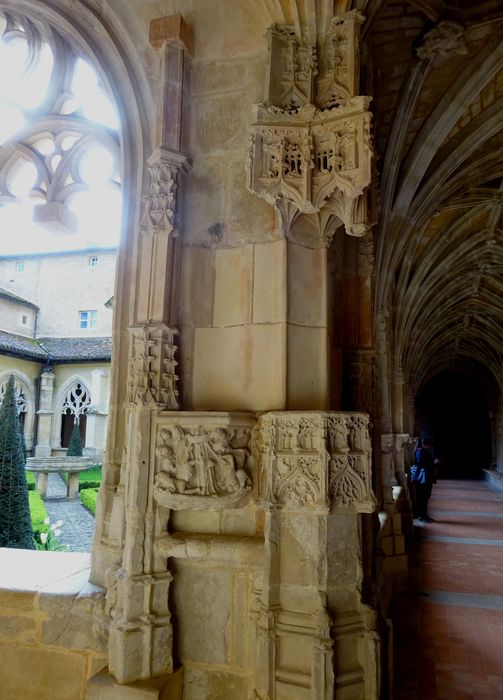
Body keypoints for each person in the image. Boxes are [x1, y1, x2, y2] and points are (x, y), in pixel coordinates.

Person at [413, 438, 440, 523]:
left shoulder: (423, 452)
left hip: (426, 479)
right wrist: (434, 463)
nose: (428, 446)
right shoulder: (420, 452)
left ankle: (425, 515)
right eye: (427, 444)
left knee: (425, 498)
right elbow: (422, 465)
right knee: (422, 498)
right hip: (422, 480)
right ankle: (422, 516)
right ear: (423, 444)